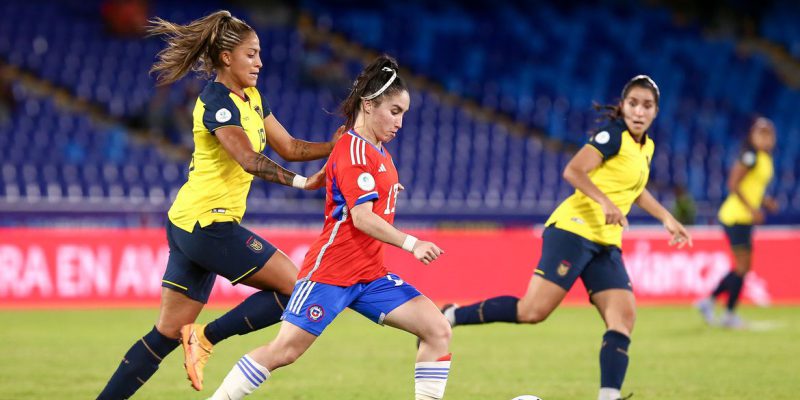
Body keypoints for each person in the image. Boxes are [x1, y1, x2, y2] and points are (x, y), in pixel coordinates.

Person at [97, 10, 343, 399]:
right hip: (207, 225)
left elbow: (292, 147)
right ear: (227, 57)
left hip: (188, 224)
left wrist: (338, 145)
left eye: (259, 54)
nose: (260, 62)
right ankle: (206, 337)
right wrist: (302, 182)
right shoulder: (215, 100)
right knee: (295, 288)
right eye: (252, 54)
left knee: (163, 335)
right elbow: (247, 158)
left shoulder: (253, 98)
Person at [207, 55, 454, 400]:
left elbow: (363, 195)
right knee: (284, 351)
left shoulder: (378, 150)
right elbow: (362, 218)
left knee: (437, 329)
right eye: (395, 112)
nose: (400, 122)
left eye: (404, 114)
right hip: (331, 273)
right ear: (369, 106)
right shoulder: (353, 150)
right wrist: (412, 244)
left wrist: (388, 191)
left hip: (369, 276)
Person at [440, 76, 692, 400]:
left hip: (606, 242)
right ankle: (451, 316)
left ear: (656, 111)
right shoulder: (612, 135)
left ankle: (608, 396)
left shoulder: (647, 147)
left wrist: (666, 217)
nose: (639, 111)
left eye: (647, 105)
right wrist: (605, 202)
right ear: (622, 105)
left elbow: (635, 188)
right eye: (633, 103)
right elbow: (573, 170)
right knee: (532, 311)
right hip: (573, 231)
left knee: (623, 318)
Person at [696, 117, 777, 328]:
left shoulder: (764, 158)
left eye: (768, 134)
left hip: (744, 217)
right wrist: (752, 208)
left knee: (743, 267)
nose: (765, 139)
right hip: (736, 216)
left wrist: (765, 201)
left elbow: (754, 187)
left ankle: (711, 303)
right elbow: (733, 183)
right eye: (761, 134)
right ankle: (726, 312)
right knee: (742, 266)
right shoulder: (749, 157)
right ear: (752, 136)